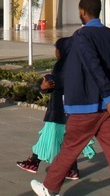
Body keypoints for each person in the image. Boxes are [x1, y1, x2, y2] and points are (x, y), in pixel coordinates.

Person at [31, 0, 110, 196]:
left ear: (82, 11)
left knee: (70, 148)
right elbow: (109, 69)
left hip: (87, 105)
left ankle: (49, 188)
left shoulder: (82, 36)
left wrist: (107, 96)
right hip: (108, 108)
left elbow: (92, 66)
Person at [17, 38, 91, 180]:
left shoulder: (68, 65)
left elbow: (59, 80)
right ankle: (72, 169)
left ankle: (34, 162)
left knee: (49, 136)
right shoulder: (70, 63)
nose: (55, 52)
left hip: (60, 110)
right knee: (64, 140)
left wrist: (47, 82)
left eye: (57, 49)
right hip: (64, 109)